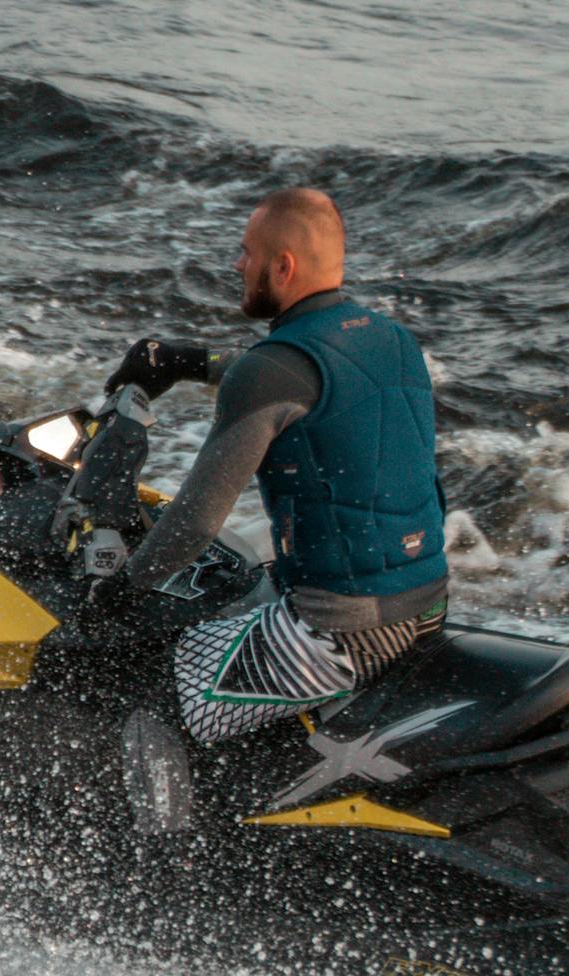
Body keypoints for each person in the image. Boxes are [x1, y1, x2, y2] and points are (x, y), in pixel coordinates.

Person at [87, 187, 448, 745]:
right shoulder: (392, 340)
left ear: (282, 266)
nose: (237, 264)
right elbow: (298, 377)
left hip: (345, 631)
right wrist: (185, 361)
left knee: (140, 680)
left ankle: (169, 835)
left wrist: (118, 593)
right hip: (427, 603)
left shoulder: (273, 371)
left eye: (247, 252)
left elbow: (193, 525)